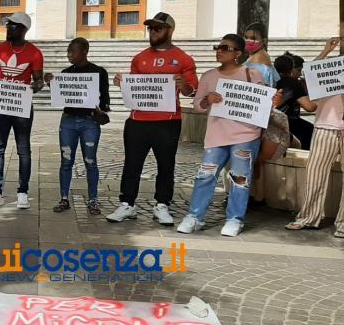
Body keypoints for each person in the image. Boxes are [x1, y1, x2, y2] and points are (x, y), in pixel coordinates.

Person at [177, 34, 279, 237]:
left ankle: (235, 219)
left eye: (225, 48)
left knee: (240, 178)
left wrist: (274, 101)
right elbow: (197, 105)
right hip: (216, 135)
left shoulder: (252, 74)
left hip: (246, 134)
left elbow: (262, 103)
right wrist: (207, 99)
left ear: (238, 53)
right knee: (205, 175)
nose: (219, 51)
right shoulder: (209, 76)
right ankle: (195, 216)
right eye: (218, 47)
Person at [108, 12, 198, 225]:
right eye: (150, 28)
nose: (153, 32)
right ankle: (127, 203)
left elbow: (192, 91)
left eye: (158, 28)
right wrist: (122, 82)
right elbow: (134, 88)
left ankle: (162, 204)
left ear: (170, 30)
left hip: (167, 121)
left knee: (166, 164)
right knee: (132, 163)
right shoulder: (140, 58)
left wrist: (184, 84)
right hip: (138, 120)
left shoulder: (184, 59)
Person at [0, 12, 43, 209]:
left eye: (12, 26)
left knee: (23, 150)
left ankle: (23, 192)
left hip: (21, 107)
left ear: (23, 29)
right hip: (0, 106)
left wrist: (35, 86)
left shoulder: (34, 53)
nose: (8, 28)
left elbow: (38, 80)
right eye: (7, 25)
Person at [43, 38, 110, 215]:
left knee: (90, 161)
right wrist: (51, 83)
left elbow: (105, 99)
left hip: (90, 122)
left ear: (85, 51)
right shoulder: (66, 73)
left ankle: (93, 200)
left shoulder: (98, 72)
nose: (69, 55)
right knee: (66, 161)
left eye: (73, 51)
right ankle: (64, 198)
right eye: (68, 51)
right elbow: (62, 95)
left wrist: (102, 111)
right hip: (69, 120)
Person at [286, 37, 344, 238]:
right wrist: (325, 51)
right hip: (325, 124)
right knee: (315, 172)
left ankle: (343, 223)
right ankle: (308, 217)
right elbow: (310, 78)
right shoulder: (330, 65)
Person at [274, 53, 316, 150]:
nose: (300, 74)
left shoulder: (272, 79)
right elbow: (310, 107)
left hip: (273, 121)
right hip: (287, 122)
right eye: (299, 70)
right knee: (310, 131)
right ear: (292, 69)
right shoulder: (292, 83)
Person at [241, 23, 278, 87]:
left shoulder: (259, 58)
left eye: (253, 38)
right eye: (246, 37)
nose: (248, 41)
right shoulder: (261, 55)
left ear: (264, 40)